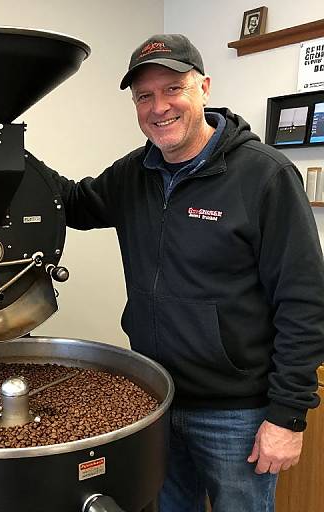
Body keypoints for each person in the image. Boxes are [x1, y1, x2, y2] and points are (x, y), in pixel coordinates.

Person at [36, 34, 324, 511]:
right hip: (155, 397)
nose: (159, 107)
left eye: (174, 89)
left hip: (238, 413)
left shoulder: (265, 176)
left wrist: (287, 417)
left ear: (204, 88)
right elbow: (75, 203)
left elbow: (304, 301)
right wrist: (4, 148)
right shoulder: (135, 173)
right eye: (144, 96)